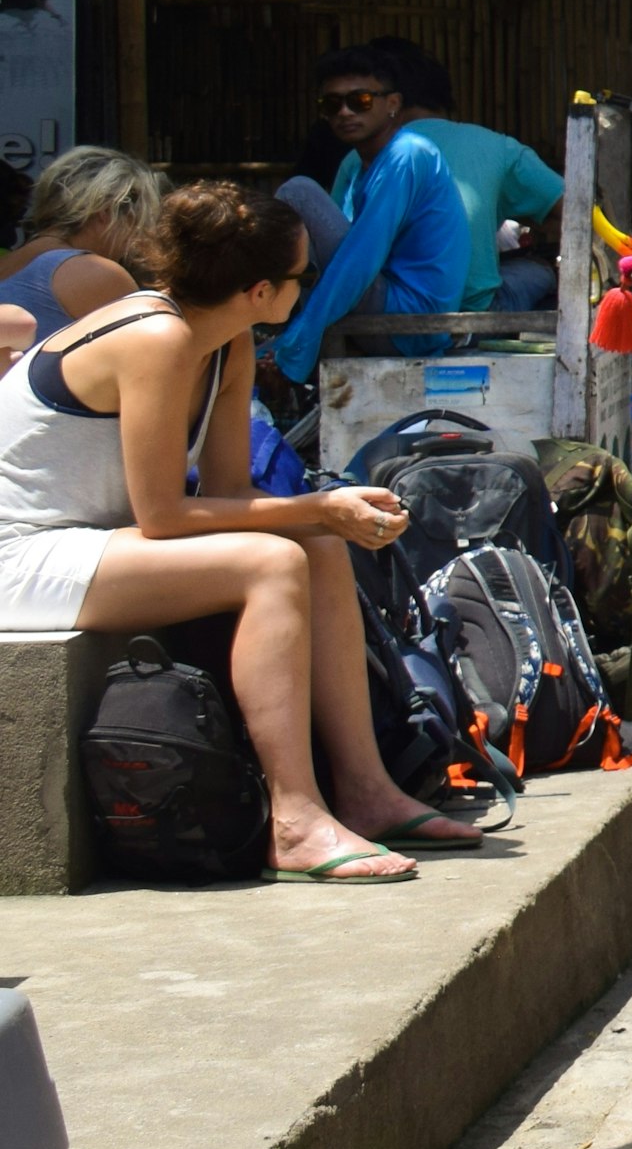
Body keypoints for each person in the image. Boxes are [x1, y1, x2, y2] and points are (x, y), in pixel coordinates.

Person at [0, 183, 477, 879]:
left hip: (87, 540)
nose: (304, 289)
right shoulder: (156, 337)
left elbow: (228, 492)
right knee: (271, 562)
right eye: (300, 278)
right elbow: (163, 516)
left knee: (313, 545)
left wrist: (328, 511)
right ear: (260, 290)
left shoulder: (224, 342)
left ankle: (368, 791)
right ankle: (294, 820)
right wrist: (317, 507)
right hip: (21, 554)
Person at [269, 47, 469, 384]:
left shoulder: (407, 154)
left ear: (392, 104)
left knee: (298, 192)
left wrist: (295, 347)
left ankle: (276, 325)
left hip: (407, 322)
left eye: (359, 101)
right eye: (332, 105)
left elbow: (358, 261)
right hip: (387, 309)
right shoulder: (362, 165)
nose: (344, 112)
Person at [339, 51, 561, 314]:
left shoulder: (359, 159)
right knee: (540, 269)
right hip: (465, 312)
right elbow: (576, 211)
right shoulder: (496, 148)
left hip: (390, 308)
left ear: (392, 103)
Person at [0, 147, 162, 351]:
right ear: (106, 211)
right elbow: (151, 361)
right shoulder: (96, 274)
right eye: (137, 220)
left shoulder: (9, 262)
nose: (136, 238)